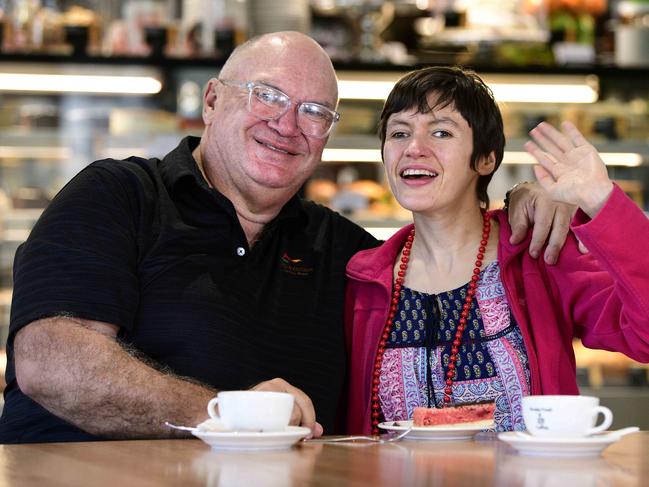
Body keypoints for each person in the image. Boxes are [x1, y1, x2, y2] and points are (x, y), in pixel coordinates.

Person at [0, 33, 571, 444]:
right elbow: (51, 363)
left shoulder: (348, 253)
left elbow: (450, 256)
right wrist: (230, 413)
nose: (288, 124)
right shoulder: (119, 195)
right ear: (213, 100)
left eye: (314, 111)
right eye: (267, 96)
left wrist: (517, 199)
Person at [344, 66, 649, 435]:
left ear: (486, 158)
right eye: (399, 133)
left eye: (441, 132)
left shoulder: (540, 255)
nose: (414, 148)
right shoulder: (361, 280)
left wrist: (602, 201)